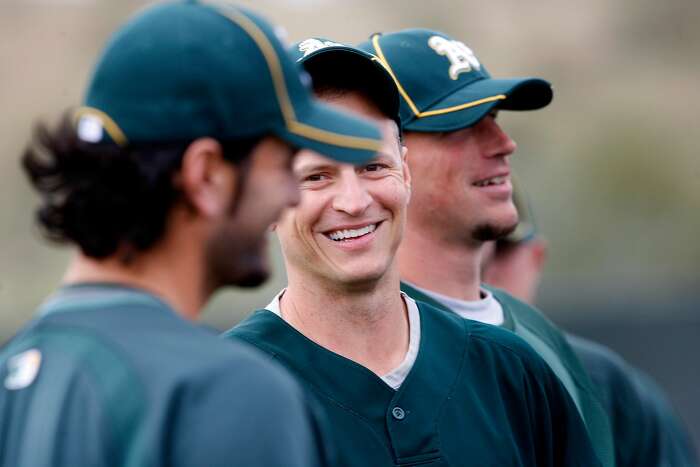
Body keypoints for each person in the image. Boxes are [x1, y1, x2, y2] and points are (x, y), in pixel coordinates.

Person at [0, 3, 383, 466]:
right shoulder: (228, 393)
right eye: (284, 165)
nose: (289, 195)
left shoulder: (18, 372)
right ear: (205, 175)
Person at [224, 39, 601, 467]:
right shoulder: (225, 397)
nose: (353, 200)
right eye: (317, 176)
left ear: (404, 173)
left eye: (372, 166)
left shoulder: (509, 370)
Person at [358, 29, 615, 467]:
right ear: (389, 158)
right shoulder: (350, 342)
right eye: (463, 125)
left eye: (495, 118)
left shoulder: (541, 338)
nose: (503, 143)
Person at [482, 179, 700, 467]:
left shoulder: (609, 388)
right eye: (463, 246)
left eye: (501, 248)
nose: (483, 265)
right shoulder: (416, 377)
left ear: (535, 258)